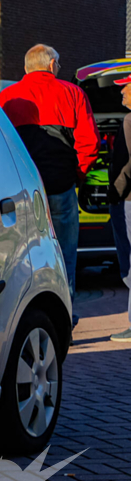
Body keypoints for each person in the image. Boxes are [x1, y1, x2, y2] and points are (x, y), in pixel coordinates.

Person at [0, 45, 100, 308]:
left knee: (23, 259)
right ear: (52, 64)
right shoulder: (73, 93)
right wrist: (76, 175)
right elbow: (89, 143)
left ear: (26, 68)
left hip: (22, 192)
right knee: (65, 257)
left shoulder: (7, 98)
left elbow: (0, 145)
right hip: (61, 188)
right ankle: (65, 320)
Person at [109, 75, 131, 341]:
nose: (121, 94)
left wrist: (115, 192)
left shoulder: (129, 121)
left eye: (125, 88)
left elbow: (128, 164)